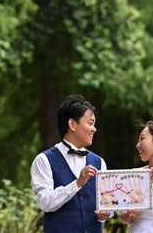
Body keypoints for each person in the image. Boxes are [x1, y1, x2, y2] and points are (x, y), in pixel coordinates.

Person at [30, 94, 112, 232]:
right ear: (72, 124)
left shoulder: (99, 162)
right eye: (90, 123)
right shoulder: (44, 160)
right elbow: (44, 203)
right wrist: (77, 183)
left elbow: (107, 206)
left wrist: (106, 214)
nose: (94, 129)